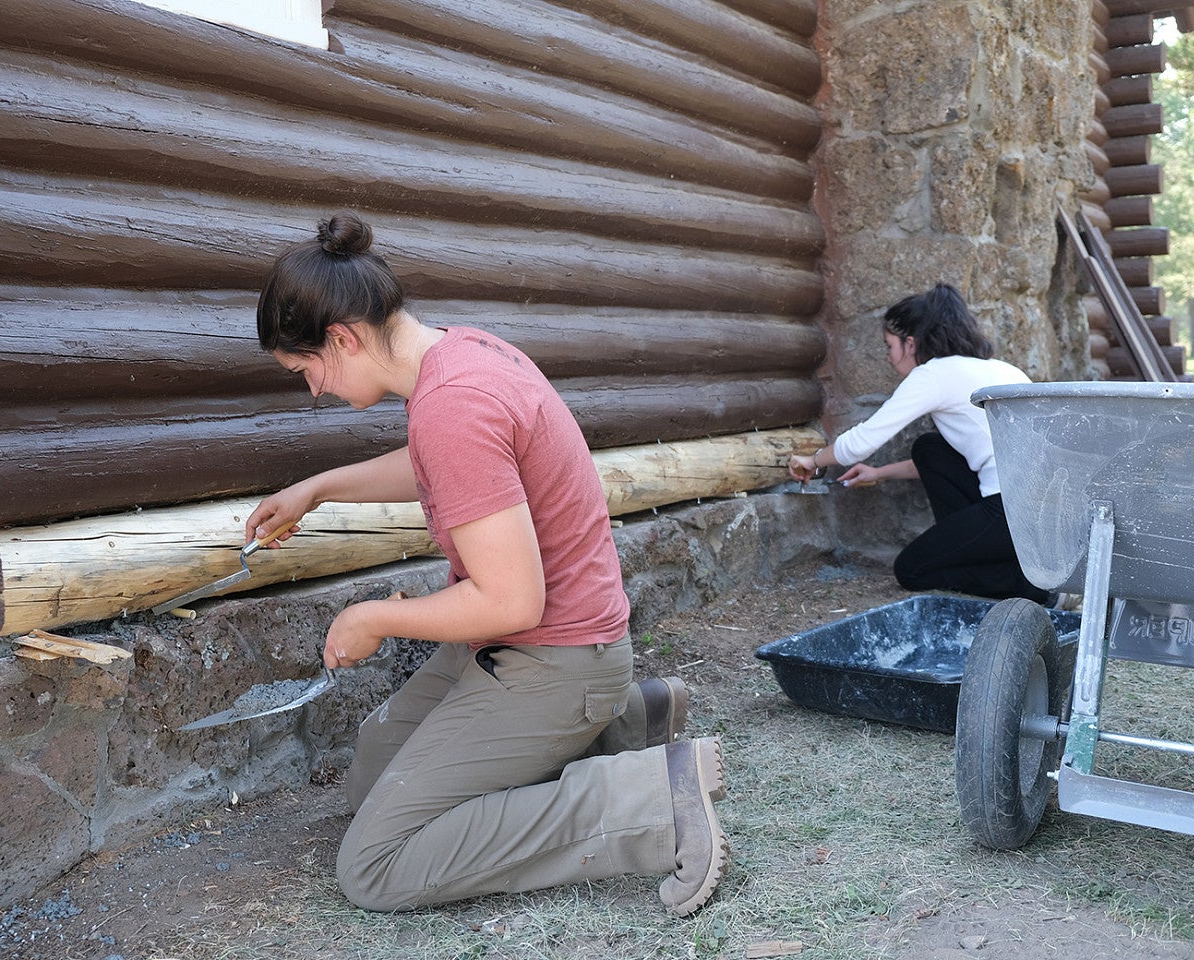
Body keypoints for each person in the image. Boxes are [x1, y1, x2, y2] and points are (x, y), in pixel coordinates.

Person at [244, 212, 730, 916]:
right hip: (535, 647)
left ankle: (652, 803)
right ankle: (626, 721)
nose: (313, 388)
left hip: (552, 654)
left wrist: (374, 616)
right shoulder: (462, 354)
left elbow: (510, 602)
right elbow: (443, 466)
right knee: (372, 780)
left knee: (377, 864)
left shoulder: (452, 404)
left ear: (343, 337)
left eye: (307, 368)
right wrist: (317, 489)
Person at [787, 283, 1048, 604]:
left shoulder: (933, 374)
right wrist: (880, 473)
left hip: (1012, 512)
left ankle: (1034, 586)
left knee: (912, 570)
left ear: (910, 344)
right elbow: (962, 458)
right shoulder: (1001, 368)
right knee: (929, 448)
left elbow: (860, 442)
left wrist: (812, 461)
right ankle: (1015, 566)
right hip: (1045, 511)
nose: (888, 357)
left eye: (889, 346)